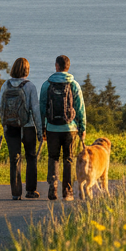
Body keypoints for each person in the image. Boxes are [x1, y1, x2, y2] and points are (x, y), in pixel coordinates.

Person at [39, 55, 86, 201]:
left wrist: (42, 128)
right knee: (69, 159)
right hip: (70, 128)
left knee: (53, 158)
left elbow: (41, 108)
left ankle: (53, 188)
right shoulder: (74, 85)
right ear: (68, 67)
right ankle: (67, 191)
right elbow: (80, 109)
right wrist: (82, 127)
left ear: (56, 66)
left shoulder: (47, 85)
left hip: (52, 127)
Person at [0, 57, 43, 200]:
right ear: (27, 70)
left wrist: (4, 124)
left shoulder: (6, 85)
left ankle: (16, 193)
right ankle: (30, 190)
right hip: (28, 127)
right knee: (31, 157)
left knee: (14, 159)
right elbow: (35, 110)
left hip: (11, 127)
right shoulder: (30, 87)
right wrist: (40, 131)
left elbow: (0, 107)